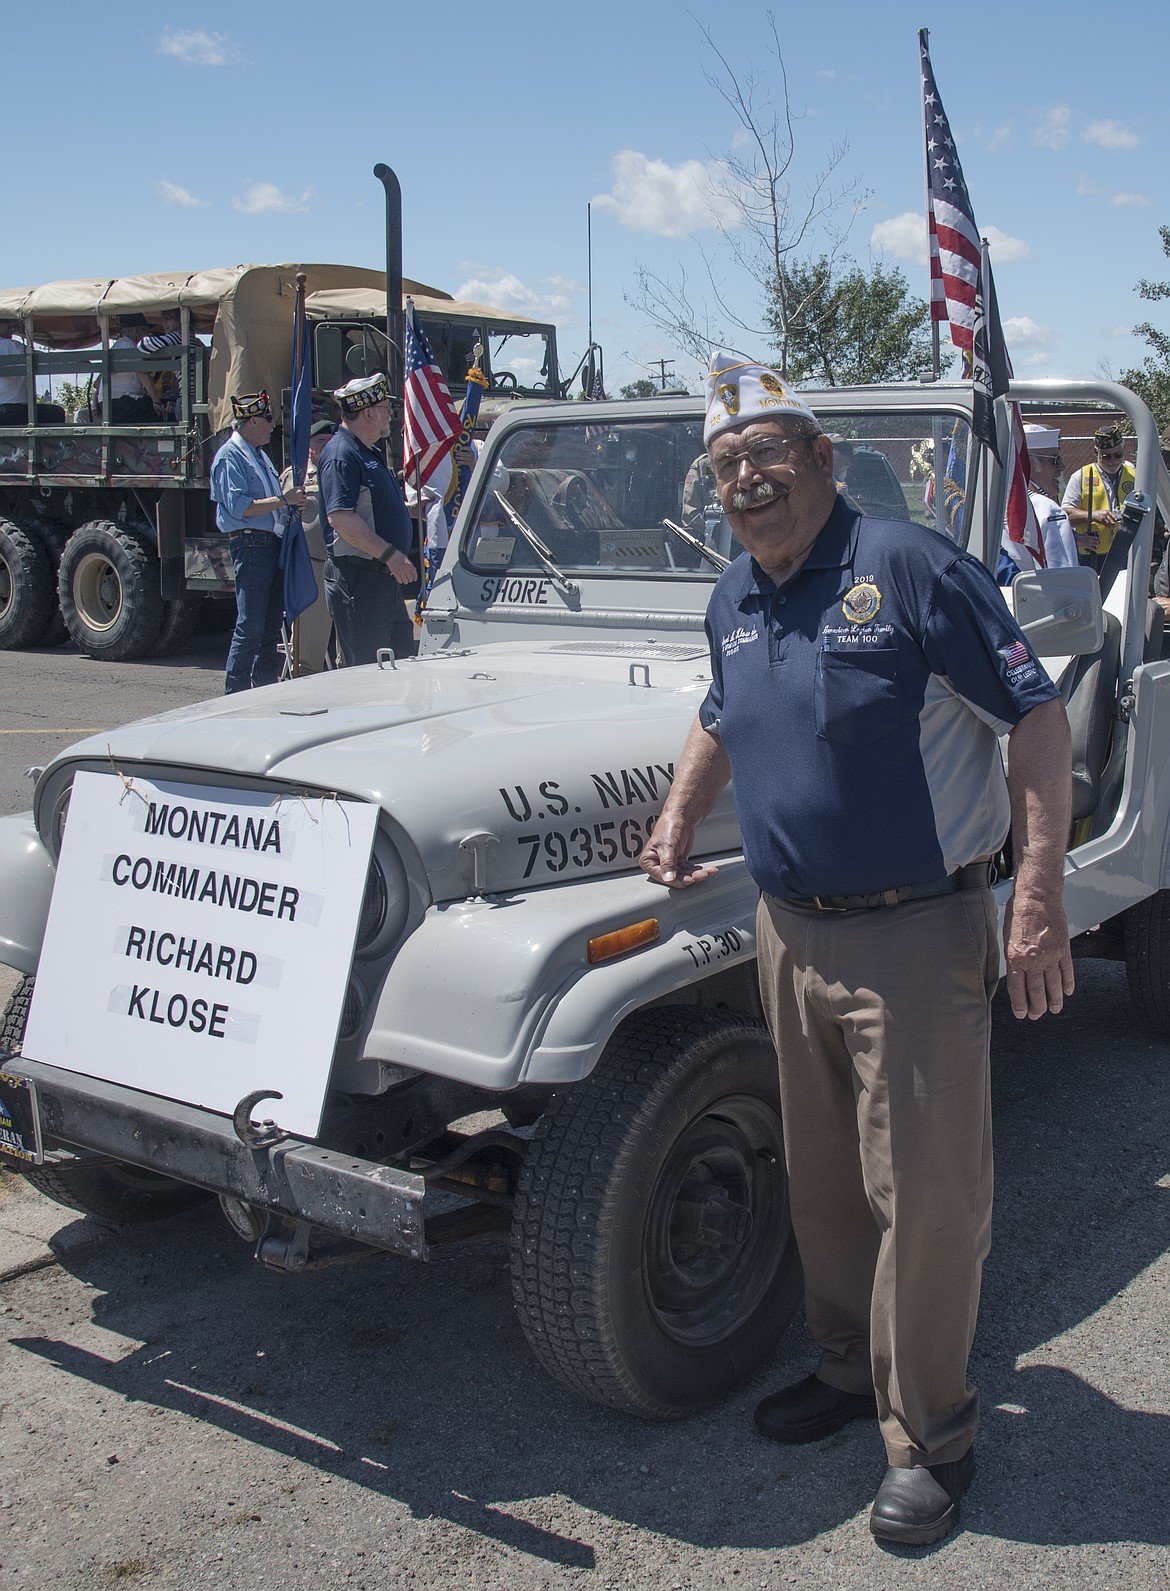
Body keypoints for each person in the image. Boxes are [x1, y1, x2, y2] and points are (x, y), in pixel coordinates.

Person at [639, 351, 1074, 1548]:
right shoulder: (738, 592)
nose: (748, 479)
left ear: (825, 460)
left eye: (769, 455)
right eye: (727, 465)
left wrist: (1036, 891)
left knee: (927, 1198)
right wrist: (681, 810)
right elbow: (724, 707)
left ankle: (933, 1436)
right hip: (791, 934)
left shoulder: (912, 567)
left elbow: (1036, 716)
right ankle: (848, 1372)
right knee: (826, 1187)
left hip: (915, 934)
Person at [210, 390, 306, 694]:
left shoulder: (259, 454)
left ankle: (263, 689)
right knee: (250, 624)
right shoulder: (230, 456)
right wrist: (283, 499)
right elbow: (242, 507)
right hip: (251, 544)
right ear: (251, 421)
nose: (271, 426)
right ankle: (234, 693)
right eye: (266, 419)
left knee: (267, 625)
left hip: (267, 542)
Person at [317, 372, 416, 665]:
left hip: (380, 578)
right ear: (369, 413)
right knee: (367, 673)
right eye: (386, 408)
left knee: (398, 663)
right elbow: (340, 518)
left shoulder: (366, 451)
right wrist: (391, 555)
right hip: (359, 578)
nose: (389, 415)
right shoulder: (341, 454)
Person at [279, 418, 336, 673]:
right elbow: (282, 517)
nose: (326, 445)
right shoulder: (297, 475)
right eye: (320, 441)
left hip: (343, 563)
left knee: (351, 651)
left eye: (329, 441)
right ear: (309, 446)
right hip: (312, 566)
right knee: (307, 652)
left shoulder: (342, 468)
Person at [998, 423, 1079, 581]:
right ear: (1028, 464)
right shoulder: (1048, 509)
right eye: (1055, 460)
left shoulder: (997, 506)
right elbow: (1064, 579)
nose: (1062, 466)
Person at [1061, 422, 1136, 571]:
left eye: (1118, 455)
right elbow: (1065, 515)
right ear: (1096, 453)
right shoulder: (1081, 476)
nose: (1113, 461)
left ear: (1124, 449)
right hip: (1093, 554)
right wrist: (1094, 516)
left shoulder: (1134, 473)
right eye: (1106, 457)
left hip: (1127, 551)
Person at [0, 317, 29, 425]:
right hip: (13, 410)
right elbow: (44, 361)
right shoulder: (11, 346)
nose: (12, 328)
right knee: (56, 413)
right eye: (8, 323)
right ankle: (47, 442)